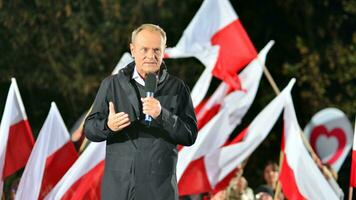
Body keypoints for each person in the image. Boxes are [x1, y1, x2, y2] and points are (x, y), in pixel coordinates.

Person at [84, 24, 198, 200]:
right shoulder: (112, 84)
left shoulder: (178, 88)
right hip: (119, 189)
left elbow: (189, 135)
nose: (151, 56)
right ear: (133, 50)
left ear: (164, 51)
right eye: (144, 49)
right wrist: (108, 125)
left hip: (159, 191)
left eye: (156, 50)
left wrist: (163, 115)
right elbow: (90, 129)